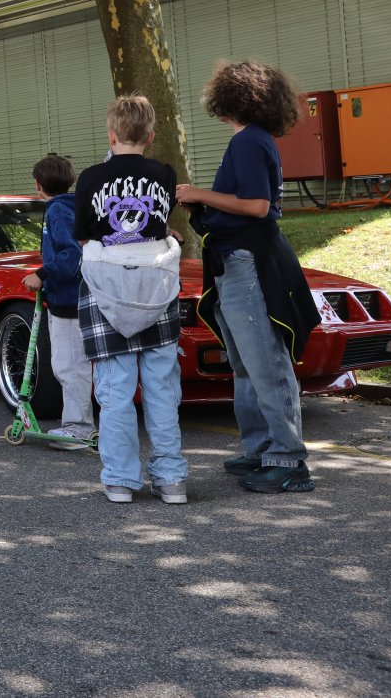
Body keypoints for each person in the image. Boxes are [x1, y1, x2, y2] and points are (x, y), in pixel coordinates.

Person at [178, 61, 319, 494]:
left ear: (232, 97)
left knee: (265, 363)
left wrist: (199, 194)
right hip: (236, 260)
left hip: (248, 263)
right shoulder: (253, 140)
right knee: (244, 364)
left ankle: (288, 460)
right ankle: (261, 450)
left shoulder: (248, 142)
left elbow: (258, 206)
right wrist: (206, 205)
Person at [72, 95, 186, 505]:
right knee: (162, 387)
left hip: (106, 290)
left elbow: (82, 235)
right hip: (156, 288)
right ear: (150, 136)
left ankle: (120, 480)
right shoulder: (165, 175)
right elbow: (159, 224)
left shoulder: (89, 178)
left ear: (111, 135)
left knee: (115, 391)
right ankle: (171, 480)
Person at [21, 153, 93, 449]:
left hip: (68, 298)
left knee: (69, 364)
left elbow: (73, 253)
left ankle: (78, 429)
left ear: (38, 185)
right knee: (79, 363)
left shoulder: (58, 211)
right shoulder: (76, 205)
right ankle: (80, 424)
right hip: (80, 295)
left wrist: (42, 273)